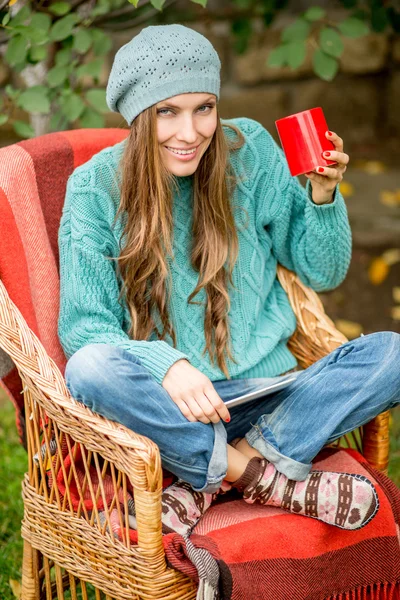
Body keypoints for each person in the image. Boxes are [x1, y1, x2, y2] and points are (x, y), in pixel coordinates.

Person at [59, 24, 400, 537]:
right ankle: (263, 478)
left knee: (391, 353)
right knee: (89, 367)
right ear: (136, 116)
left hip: (272, 393)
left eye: (204, 108)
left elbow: (321, 273)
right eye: (167, 112)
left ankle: (206, 480)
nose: (190, 132)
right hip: (173, 410)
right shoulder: (93, 188)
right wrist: (166, 365)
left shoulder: (252, 151)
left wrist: (323, 196)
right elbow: (86, 328)